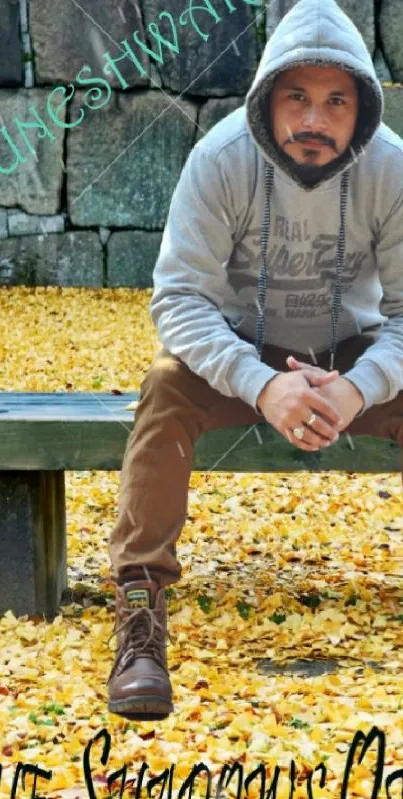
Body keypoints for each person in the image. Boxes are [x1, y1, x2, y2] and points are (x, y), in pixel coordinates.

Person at [106, 0, 403, 721]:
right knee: (164, 385)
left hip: (350, 358)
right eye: (295, 96)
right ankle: (140, 614)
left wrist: (357, 390)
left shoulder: (391, 168)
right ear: (266, 96)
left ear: (359, 105)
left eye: (335, 101)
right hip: (242, 356)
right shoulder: (219, 159)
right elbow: (178, 298)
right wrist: (261, 384)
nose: (313, 119)